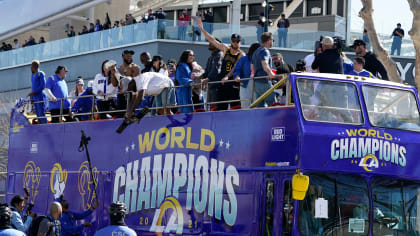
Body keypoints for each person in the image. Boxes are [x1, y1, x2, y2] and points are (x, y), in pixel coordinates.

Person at [197, 18, 244, 110]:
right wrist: (202, 29)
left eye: (237, 41)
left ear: (240, 42)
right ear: (231, 41)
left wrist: (227, 76)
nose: (235, 43)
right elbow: (213, 40)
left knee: (235, 105)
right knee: (221, 105)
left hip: (232, 81)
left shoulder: (241, 54)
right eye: (233, 41)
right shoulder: (226, 49)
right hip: (223, 81)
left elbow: (235, 67)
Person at [252, 32, 277, 107]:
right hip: (264, 81)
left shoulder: (256, 51)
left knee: (260, 106)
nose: (273, 42)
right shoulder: (265, 51)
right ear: (269, 40)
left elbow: (252, 67)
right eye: (273, 40)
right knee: (273, 105)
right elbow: (265, 63)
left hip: (256, 82)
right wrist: (270, 73)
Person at [233, 42, 260, 108]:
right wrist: (237, 76)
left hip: (257, 84)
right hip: (245, 84)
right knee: (245, 104)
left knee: (258, 104)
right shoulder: (244, 59)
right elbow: (237, 69)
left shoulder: (261, 59)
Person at [201, 39, 223, 110]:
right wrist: (201, 77)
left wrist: (207, 79)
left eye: (212, 43)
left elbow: (216, 70)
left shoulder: (220, 55)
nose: (210, 44)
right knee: (210, 107)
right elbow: (207, 71)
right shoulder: (211, 57)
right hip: (211, 86)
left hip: (217, 87)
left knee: (215, 108)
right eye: (209, 42)